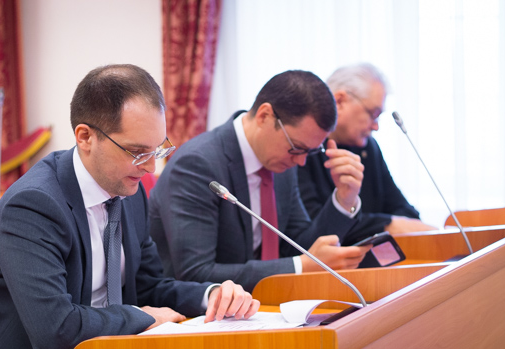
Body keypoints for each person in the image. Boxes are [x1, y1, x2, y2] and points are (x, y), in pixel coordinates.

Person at [0, 64, 260, 349]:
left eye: (158, 150)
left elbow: (148, 286)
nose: (151, 168)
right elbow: (54, 329)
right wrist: (139, 318)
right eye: (138, 152)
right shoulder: (34, 205)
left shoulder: (128, 191)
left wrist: (211, 296)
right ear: (85, 137)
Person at [149, 70, 371, 293]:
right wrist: (301, 266)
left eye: (310, 152)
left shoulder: (281, 162)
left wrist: (344, 199)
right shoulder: (197, 164)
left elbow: (299, 246)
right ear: (265, 116)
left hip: (261, 304)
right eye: (297, 148)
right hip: (191, 309)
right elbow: (196, 273)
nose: (301, 161)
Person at [297, 63, 436, 245]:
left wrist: (383, 224)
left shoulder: (369, 147)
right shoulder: (301, 149)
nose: (376, 126)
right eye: (373, 114)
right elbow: (312, 229)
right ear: (340, 101)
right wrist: (385, 225)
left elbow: (404, 212)